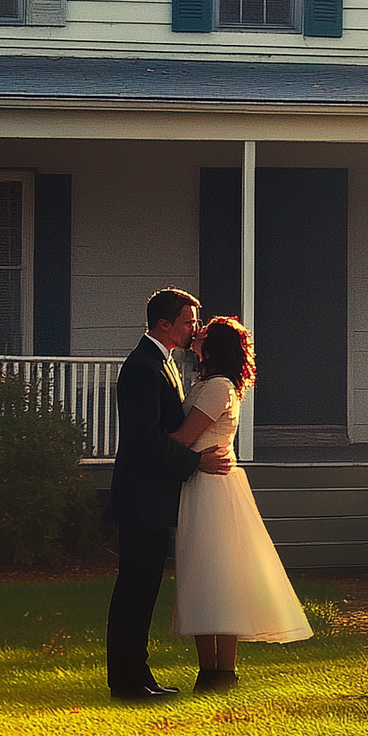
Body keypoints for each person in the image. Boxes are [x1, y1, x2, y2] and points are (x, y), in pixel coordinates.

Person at [168, 316, 311, 691]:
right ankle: (210, 671)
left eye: (202, 333)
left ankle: (222, 671)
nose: (195, 334)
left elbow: (184, 438)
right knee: (200, 573)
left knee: (218, 573)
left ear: (213, 347)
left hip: (212, 486)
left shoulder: (218, 387)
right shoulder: (206, 383)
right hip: (200, 481)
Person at [104, 288, 231, 701]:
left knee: (144, 590)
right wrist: (194, 463)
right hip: (142, 496)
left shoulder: (164, 362)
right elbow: (144, 438)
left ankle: (138, 676)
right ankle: (126, 681)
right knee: (135, 589)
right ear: (164, 324)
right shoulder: (143, 366)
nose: (194, 328)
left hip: (154, 495)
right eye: (188, 321)